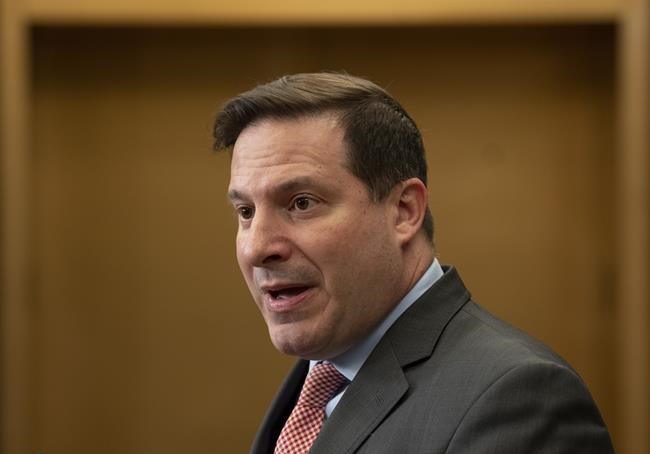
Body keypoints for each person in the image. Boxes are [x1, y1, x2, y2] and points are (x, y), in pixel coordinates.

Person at [213, 72, 614, 453]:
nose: (257, 248)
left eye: (302, 203)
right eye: (246, 212)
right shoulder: (319, 379)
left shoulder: (519, 399)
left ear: (404, 211)